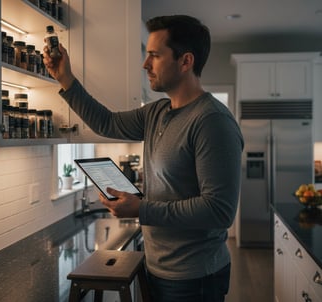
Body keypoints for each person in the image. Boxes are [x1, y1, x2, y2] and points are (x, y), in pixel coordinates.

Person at [44, 15, 244, 302]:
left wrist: (142, 209)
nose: (145, 64)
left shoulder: (212, 122)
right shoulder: (157, 112)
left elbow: (219, 211)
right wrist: (65, 78)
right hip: (156, 267)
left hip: (194, 278)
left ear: (185, 61)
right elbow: (107, 123)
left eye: (154, 55)